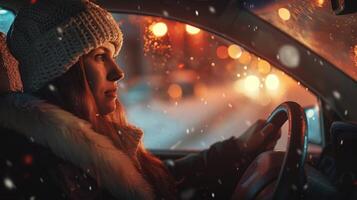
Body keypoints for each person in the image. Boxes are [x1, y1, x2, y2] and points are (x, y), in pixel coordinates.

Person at [0, 0, 280, 199]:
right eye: (99, 57)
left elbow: (160, 181)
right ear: (64, 73)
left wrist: (236, 149)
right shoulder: (37, 163)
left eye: (113, 56)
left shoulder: (88, 138)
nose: (118, 72)